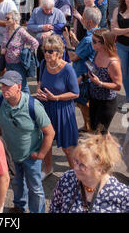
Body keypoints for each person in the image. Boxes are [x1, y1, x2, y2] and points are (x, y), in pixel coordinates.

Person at [0, 71, 55, 213]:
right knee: (16, 183)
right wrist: (1, 148)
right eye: (2, 85)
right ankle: (19, 207)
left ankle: (36, 211)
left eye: (8, 86)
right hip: (11, 155)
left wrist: (41, 154)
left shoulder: (33, 106)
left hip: (31, 156)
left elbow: (50, 132)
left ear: (19, 86)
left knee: (35, 187)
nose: (4, 89)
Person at [50, 133, 129, 213]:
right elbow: (55, 208)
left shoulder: (120, 193)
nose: (75, 168)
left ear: (99, 169)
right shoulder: (67, 179)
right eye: (76, 161)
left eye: (82, 165)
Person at [36, 35, 79, 178]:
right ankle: (48, 168)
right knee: (46, 141)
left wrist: (57, 98)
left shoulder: (67, 69)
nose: (47, 54)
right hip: (46, 108)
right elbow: (41, 83)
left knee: (68, 147)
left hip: (63, 110)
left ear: (59, 53)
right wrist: (39, 91)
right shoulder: (43, 64)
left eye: (51, 51)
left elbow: (75, 93)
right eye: (45, 50)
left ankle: (75, 175)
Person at [88, 28, 122, 133]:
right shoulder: (97, 52)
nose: (91, 43)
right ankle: (115, 148)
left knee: (99, 134)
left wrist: (100, 83)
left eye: (94, 41)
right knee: (95, 129)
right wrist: (85, 76)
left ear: (104, 43)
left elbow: (118, 86)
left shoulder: (113, 62)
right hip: (94, 98)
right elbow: (95, 70)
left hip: (106, 103)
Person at [1, 10, 39, 94]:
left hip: (18, 63)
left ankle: (28, 102)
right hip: (8, 63)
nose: (5, 20)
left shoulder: (21, 31)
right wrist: (3, 49)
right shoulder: (6, 30)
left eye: (8, 18)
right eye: (5, 18)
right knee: (11, 83)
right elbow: (3, 43)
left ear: (14, 20)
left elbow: (35, 42)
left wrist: (28, 53)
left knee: (22, 84)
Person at [111, 0, 129, 105]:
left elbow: (118, 30)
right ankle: (128, 97)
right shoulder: (117, 10)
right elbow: (114, 31)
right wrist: (128, 30)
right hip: (121, 46)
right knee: (124, 72)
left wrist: (120, 31)